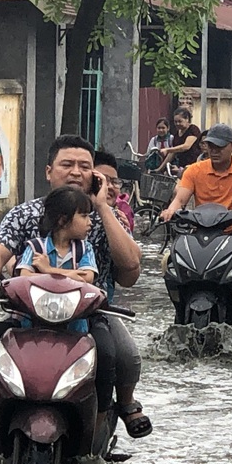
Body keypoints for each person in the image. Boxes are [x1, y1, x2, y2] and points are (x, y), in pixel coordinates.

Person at [0, 135, 144, 458]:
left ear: (95, 175)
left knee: (113, 357)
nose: (75, 172)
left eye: (84, 166)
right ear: (49, 171)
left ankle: (92, 446)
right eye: (67, 164)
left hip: (89, 318)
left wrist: (101, 206)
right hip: (26, 318)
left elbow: (131, 268)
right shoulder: (25, 215)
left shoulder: (96, 220)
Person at [159, 124, 232, 335]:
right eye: (210, 146)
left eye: (219, 147)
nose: (214, 151)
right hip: (200, 234)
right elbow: (180, 198)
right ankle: (180, 307)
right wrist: (170, 211)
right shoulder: (194, 170)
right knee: (167, 263)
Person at [93, 153, 152, 438]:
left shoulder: (115, 217)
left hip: (96, 310)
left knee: (126, 355)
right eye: (101, 180)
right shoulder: (40, 212)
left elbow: (130, 274)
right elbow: (9, 254)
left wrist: (103, 210)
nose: (110, 186)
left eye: (114, 181)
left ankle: (126, 403)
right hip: (40, 308)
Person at [16, 186, 97, 334]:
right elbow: (24, 277)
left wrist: (49, 270)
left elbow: (86, 278)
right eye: (84, 216)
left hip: (76, 329)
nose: (90, 222)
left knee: (107, 351)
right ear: (63, 220)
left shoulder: (85, 249)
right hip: (34, 325)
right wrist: (69, 275)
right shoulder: (36, 247)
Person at [159, 107, 202, 177]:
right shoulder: (176, 134)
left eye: (180, 121)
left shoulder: (193, 129)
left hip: (193, 166)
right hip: (181, 167)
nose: (177, 124)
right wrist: (160, 169)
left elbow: (186, 146)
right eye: (175, 122)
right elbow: (172, 152)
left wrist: (167, 150)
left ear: (187, 119)